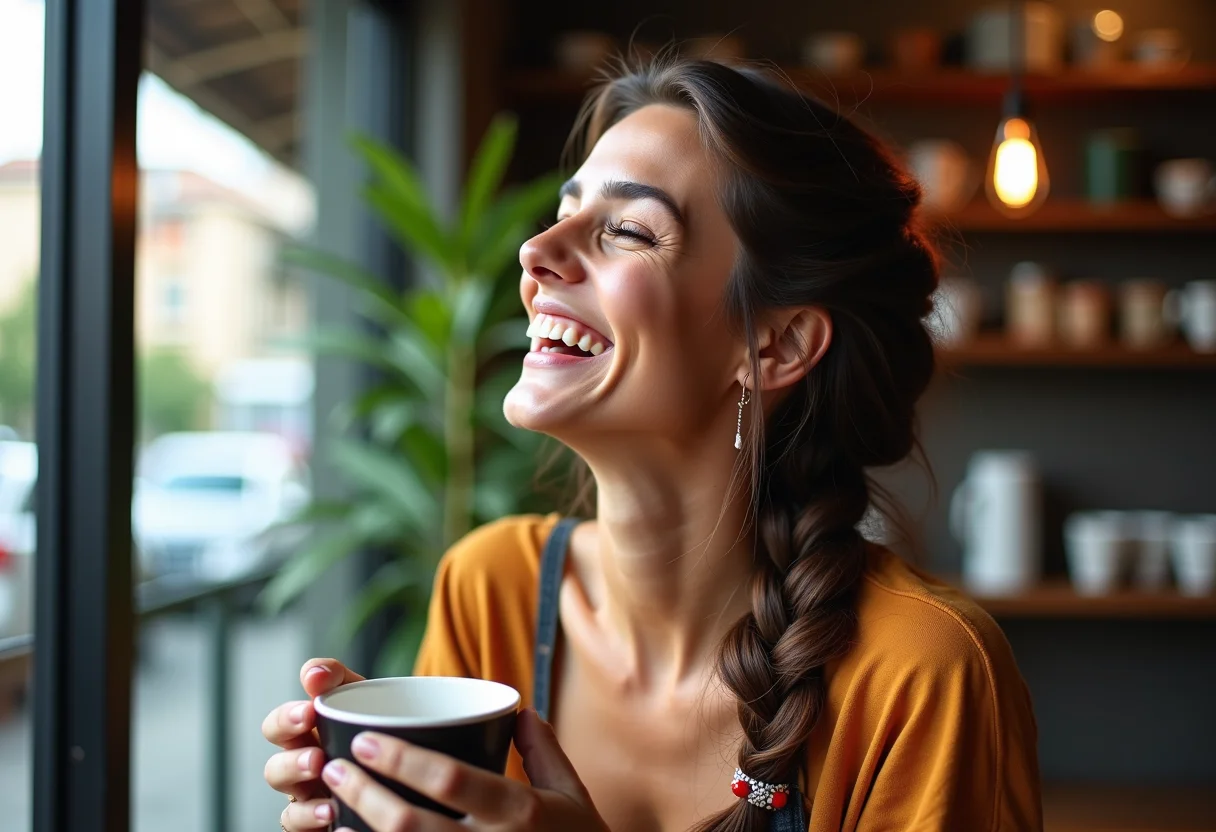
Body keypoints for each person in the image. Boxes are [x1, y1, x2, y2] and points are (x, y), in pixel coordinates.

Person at [263, 57, 1042, 832]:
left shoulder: (922, 672)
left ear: (776, 346)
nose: (535, 253)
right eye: (564, 212)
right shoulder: (489, 588)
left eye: (629, 230)